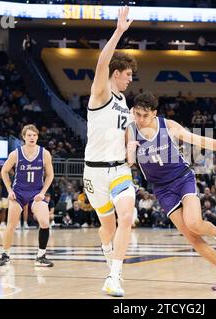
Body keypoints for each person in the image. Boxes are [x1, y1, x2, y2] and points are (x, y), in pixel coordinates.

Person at [127, 92, 216, 291]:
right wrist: (129, 149)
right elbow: (129, 161)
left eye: (145, 115)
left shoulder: (168, 126)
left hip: (182, 178)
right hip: (162, 189)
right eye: (137, 114)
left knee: (194, 222)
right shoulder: (131, 129)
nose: (140, 119)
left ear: (154, 113)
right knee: (192, 237)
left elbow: (201, 141)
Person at [82, 6, 137, 297]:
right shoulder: (101, 92)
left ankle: (114, 276)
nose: (130, 79)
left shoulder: (123, 101)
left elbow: (126, 127)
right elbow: (101, 64)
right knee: (107, 226)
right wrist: (118, 31)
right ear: (116, 74)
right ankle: (106, 250)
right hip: (94, 171)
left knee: (126, 217)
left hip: (119, 169)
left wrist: (130, 143)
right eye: (127, 74)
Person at [0, 124, 55, 267]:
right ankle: (5, 254)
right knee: (11, 225)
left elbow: (50, 175)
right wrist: (10, 190)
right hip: (18, 193)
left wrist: (42, 193)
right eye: (29, 135)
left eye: (35, 135)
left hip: (36, 193)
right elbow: (4, 171)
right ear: (23, 137)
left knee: (45, 222)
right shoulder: (16, 154)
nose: (32, 137)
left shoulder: (44, 153)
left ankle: (41, 256)